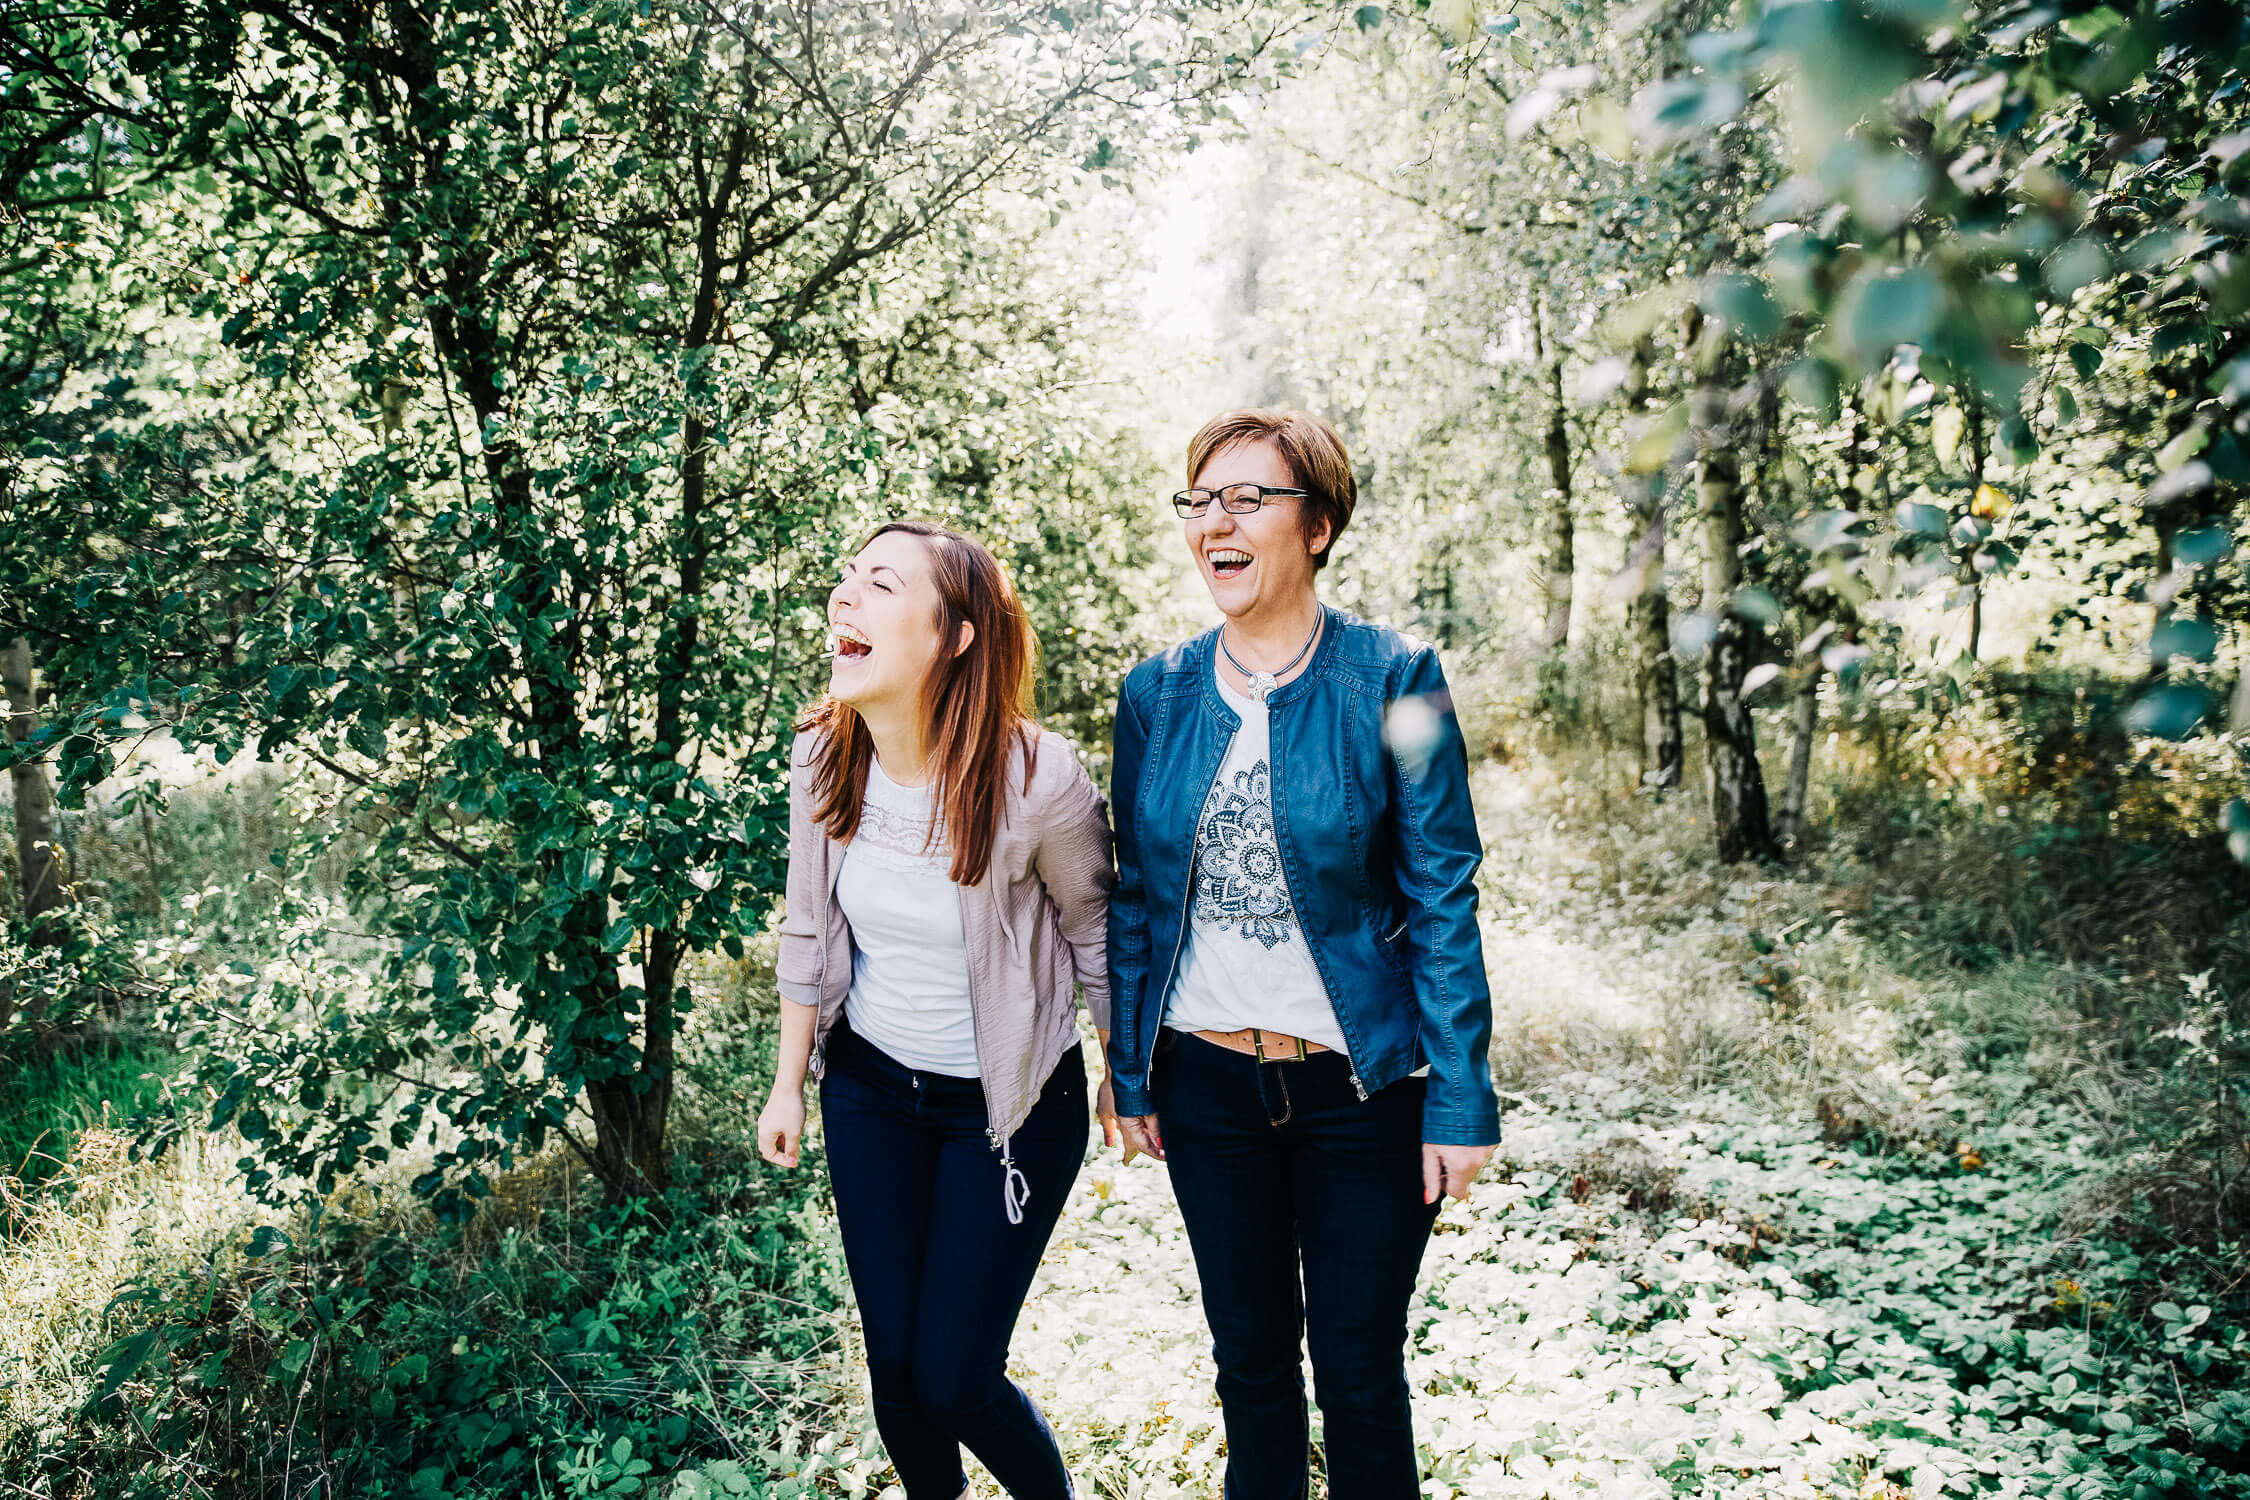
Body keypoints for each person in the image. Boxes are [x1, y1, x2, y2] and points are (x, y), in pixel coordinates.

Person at [1105, 409, 1500, 1499]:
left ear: (1317, 525)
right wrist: (1129, 1070)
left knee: (1361, 1376)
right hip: (1208, 1087)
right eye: (1199, 501)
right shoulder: (1157, 694)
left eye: (1247, 499)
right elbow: (1136, 896)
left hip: (1362, 1094)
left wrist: (1460, 1098)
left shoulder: (1397, 677)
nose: (1213, 524)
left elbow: (1441, 891)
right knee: (1252, 1372)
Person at [758, 520, 1118, 1500]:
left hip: (1006, 1114)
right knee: (895, 1373)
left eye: (879, 583)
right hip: (873, 1094)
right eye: (845, 578)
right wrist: (788, 1085)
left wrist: (1130, 1075)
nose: (844, 597)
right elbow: (805, 929)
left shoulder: (1035, 779)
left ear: (953, 636)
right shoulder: (823, 757)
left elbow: (1096, 929)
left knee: (954, 1377)